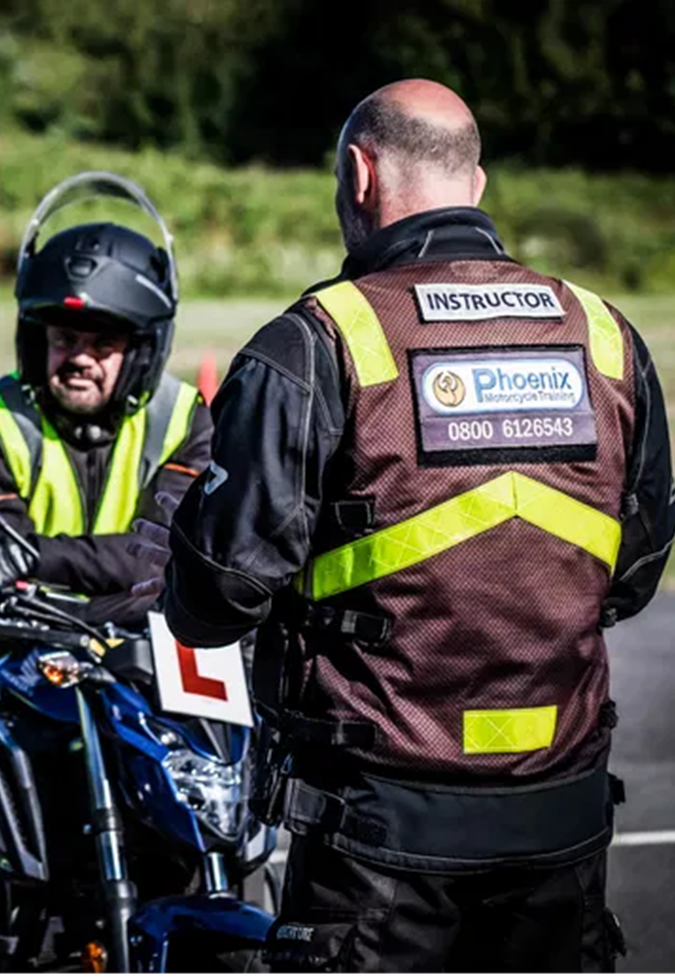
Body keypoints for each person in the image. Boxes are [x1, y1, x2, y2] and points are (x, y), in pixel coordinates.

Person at [145, 79, 673, 971]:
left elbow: (215, 598)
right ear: (477, 182)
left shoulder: (320, 341)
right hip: (563, 822)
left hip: (378, 842)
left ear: (358, 175)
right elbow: (634, 567)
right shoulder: (605, 335)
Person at [0, 173, 214, 971]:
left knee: (202, 848)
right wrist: (115, 572)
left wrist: (52, 560)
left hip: (146, 672)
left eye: (103, 336)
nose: (79, 354)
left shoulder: (187, 422)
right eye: (62, 335)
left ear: (143, 344)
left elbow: (161, 555)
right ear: (33, 336)